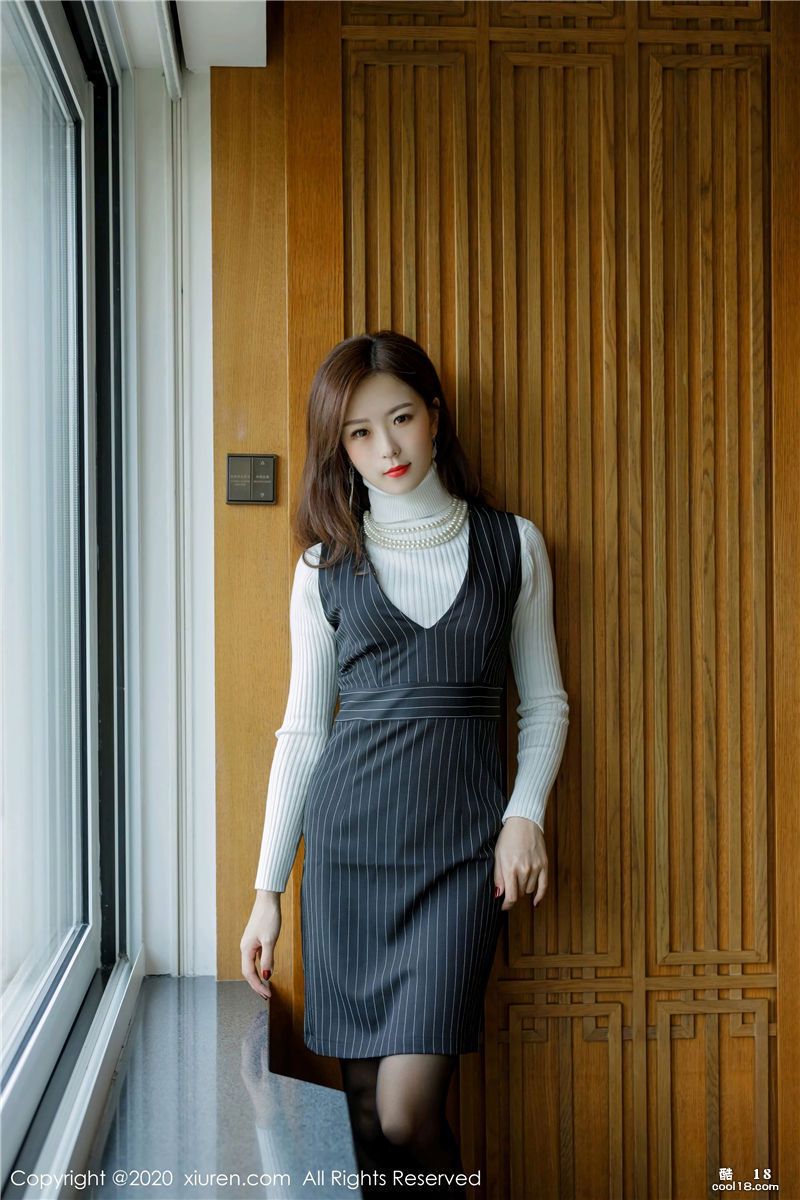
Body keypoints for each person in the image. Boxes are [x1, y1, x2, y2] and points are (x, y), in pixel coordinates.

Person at [240, 331, 570, 1199]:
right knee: (363, 1124)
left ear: (435, 416)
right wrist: (269, 890)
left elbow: (545, 704)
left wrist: (524, 815)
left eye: (400, 419)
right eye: (359, 433)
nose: (386, 448)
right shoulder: (322, 568)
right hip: (348, 860)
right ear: (339, 448)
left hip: (462, 859)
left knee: (404, 1113)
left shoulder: (512, 545)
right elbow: (302, 734)